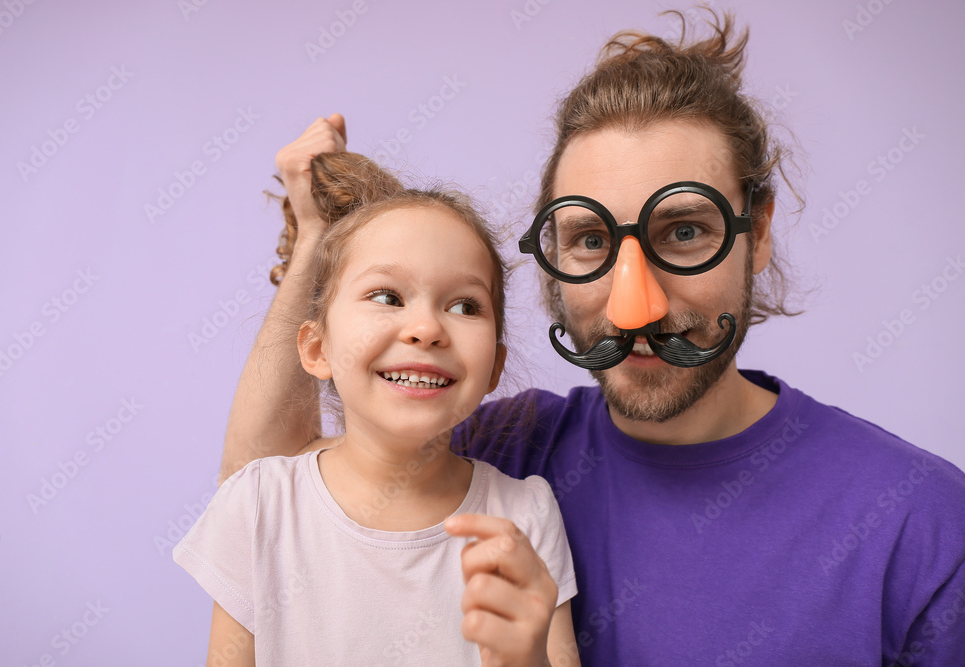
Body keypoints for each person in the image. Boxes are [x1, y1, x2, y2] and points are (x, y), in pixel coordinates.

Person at [219, 10, 965, 666]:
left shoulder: (919, 519)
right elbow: (269, 486)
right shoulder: (507, 449)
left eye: (683, 231)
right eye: (588, 239)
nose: (632, 305)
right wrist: (319, 241)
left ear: (757, 231)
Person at [175, 151, 581, 665]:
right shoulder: (260, 505)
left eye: (464, 306)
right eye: (387, 297)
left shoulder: (526, 514)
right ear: (317, 350)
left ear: (494, 367)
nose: (428, 329)